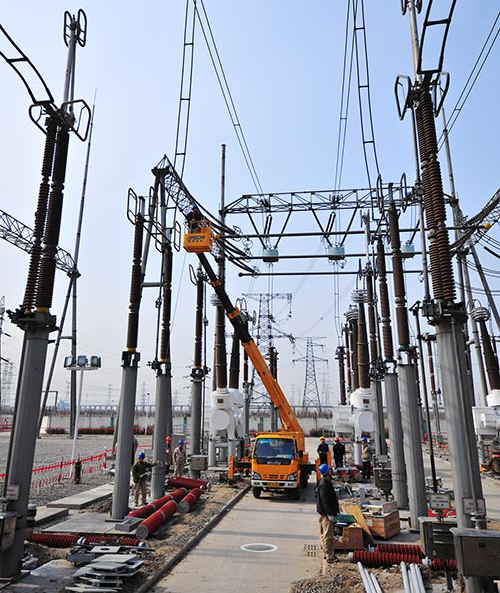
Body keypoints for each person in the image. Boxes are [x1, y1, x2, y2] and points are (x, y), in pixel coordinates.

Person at [316, 464, 340, 563]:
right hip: (326, 514)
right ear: (326, 472)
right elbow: (325, 500)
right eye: (329, 470)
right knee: (328, 535)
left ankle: (326, 554)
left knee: (324, 534)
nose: (331, 471)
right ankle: (330, 556)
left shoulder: (324, 482)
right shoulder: (325, 484)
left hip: (324, 513)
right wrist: (330, 513)